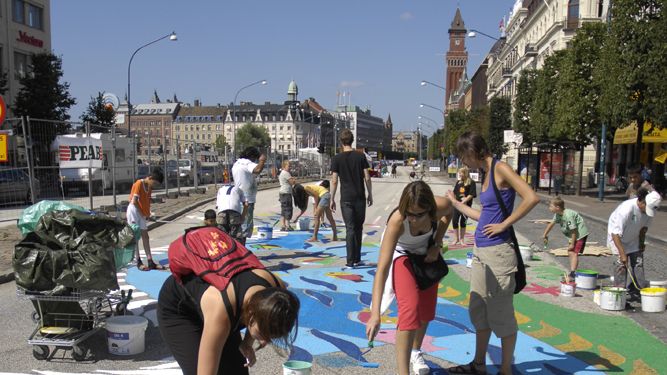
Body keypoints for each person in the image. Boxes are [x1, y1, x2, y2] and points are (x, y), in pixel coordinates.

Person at [446, 132, 539, 375]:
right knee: (479, 311)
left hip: (498, 254)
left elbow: (531, 197)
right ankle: (478, 364)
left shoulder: (501, 168)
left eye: (464, 157)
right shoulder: (487, 174)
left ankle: (505, 369)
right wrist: (458, 205)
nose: (464, 163)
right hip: (481, 253)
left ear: (473, 152)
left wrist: (505, 224)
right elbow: (486, 215)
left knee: (501, 313)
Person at [157, 241, 300, 375]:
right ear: (250, 313)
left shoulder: (277, 292)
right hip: (180, 310)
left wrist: (247, 343)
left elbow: (263, 314)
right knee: (200, 369)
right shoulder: (222, 310)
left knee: (236, 370)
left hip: (222, 306)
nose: (265, 341)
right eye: (263, 335)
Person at [366, 181, 450, 375]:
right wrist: (375, 314)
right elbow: (382, 269)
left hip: (425, 253)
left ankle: (415, 351)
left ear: (429, 209)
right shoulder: (398, 220)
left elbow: (450, 213)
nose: (411, 219)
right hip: (401, 254)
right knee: (410, 309)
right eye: (408, 213)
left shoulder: (440, 207)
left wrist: (437, 244)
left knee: (426, 311)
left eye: (418, 214)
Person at [607, 188, 662, 302]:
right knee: (621, 266)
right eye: (645, 208)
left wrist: (641, 245)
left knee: (638, 263)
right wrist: (622, 254)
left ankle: (638, 290)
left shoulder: (649, 210)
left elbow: (643, 229)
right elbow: (615, 234)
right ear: (641, 201)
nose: (646, 212)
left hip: (634, 239)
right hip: (618, 238)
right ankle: (619, 294)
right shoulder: (626, 209)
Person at [330, 129, 373, 268]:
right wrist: (370, 193)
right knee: (358, 227)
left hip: (346, 198)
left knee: (350, 228)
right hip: (360, 197)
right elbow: (367, 176)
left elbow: (334, 180)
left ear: (341, 142)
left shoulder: (336, 159)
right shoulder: (361, 156)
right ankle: (357, 258)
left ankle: (349, 261)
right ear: (352, 140)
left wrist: (331, 198)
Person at [127, 167, 165, 271]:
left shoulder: (149, 188)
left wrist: (148, 214)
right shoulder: (139, 183)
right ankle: (138, 261)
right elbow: (134, 201)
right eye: (155, 183)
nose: (155, 186)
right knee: (135, 236)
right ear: (150, 178)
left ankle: (150, 261)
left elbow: (146, 202)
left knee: (145, 236)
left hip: (142, 213)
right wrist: (143, 213)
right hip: (134, 211)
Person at [542, 197, 589, 279]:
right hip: (573, 235)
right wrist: (545, 234)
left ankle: (573, 273)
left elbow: (574, 230)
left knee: (573, 252)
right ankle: (572, 271)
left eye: (551, 206)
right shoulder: (557, 214)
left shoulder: (568, 215)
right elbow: (551, 223)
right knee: (570, 252)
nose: (549, 208)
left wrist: (572, 243)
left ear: (557, 207)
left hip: (579, 235)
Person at [232, 147, 267, 240]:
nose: (255, 161)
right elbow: (257, 169)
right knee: (245, 225)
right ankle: (242, 249)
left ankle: (238, 247)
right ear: (252, 157)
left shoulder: (237, 163)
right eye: (255, 159)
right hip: (247, 199)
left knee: (239, 223)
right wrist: (262, 160)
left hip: (238, 197)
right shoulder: (247, 163)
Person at [452, 166, 477, 245]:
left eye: (461, 173)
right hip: (457, 205)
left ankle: (462, 239)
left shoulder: (471, 182)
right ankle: (456, 239)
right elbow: (454, 193)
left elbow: (472, 194)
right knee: (454, 221)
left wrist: (465, 201)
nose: (459, 174)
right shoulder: (458, 182)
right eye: (459, 173)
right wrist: (453, 200)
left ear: (465, 173)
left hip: (466, 207)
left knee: (463, 222)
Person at [278, 160, 295, 231]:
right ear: (284, 166)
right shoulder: (286, 173)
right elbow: (292, 182)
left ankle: (283, 225)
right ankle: (288, 225)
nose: (290, 167)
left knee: (283, 209)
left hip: (282, 192)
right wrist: (293, 180)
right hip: (286, 193)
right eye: (289, 166)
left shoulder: (282, 173)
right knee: (288, 208)